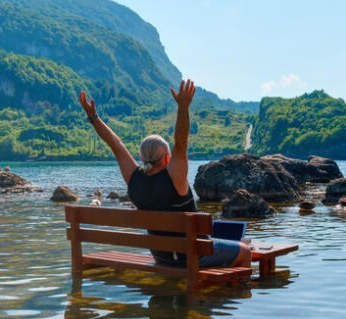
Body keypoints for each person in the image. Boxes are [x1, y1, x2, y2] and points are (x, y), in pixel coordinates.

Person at [78, 79, 251, 268]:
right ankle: (232, 289)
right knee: (245, 250)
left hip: (162, 258)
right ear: (168, 158)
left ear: (141, 157)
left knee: (233, 244)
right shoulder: (174, 179)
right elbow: (182, 142)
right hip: (193, 257)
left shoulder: (134, 180)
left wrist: (93, 117)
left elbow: (116, 145)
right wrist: (183, 107)